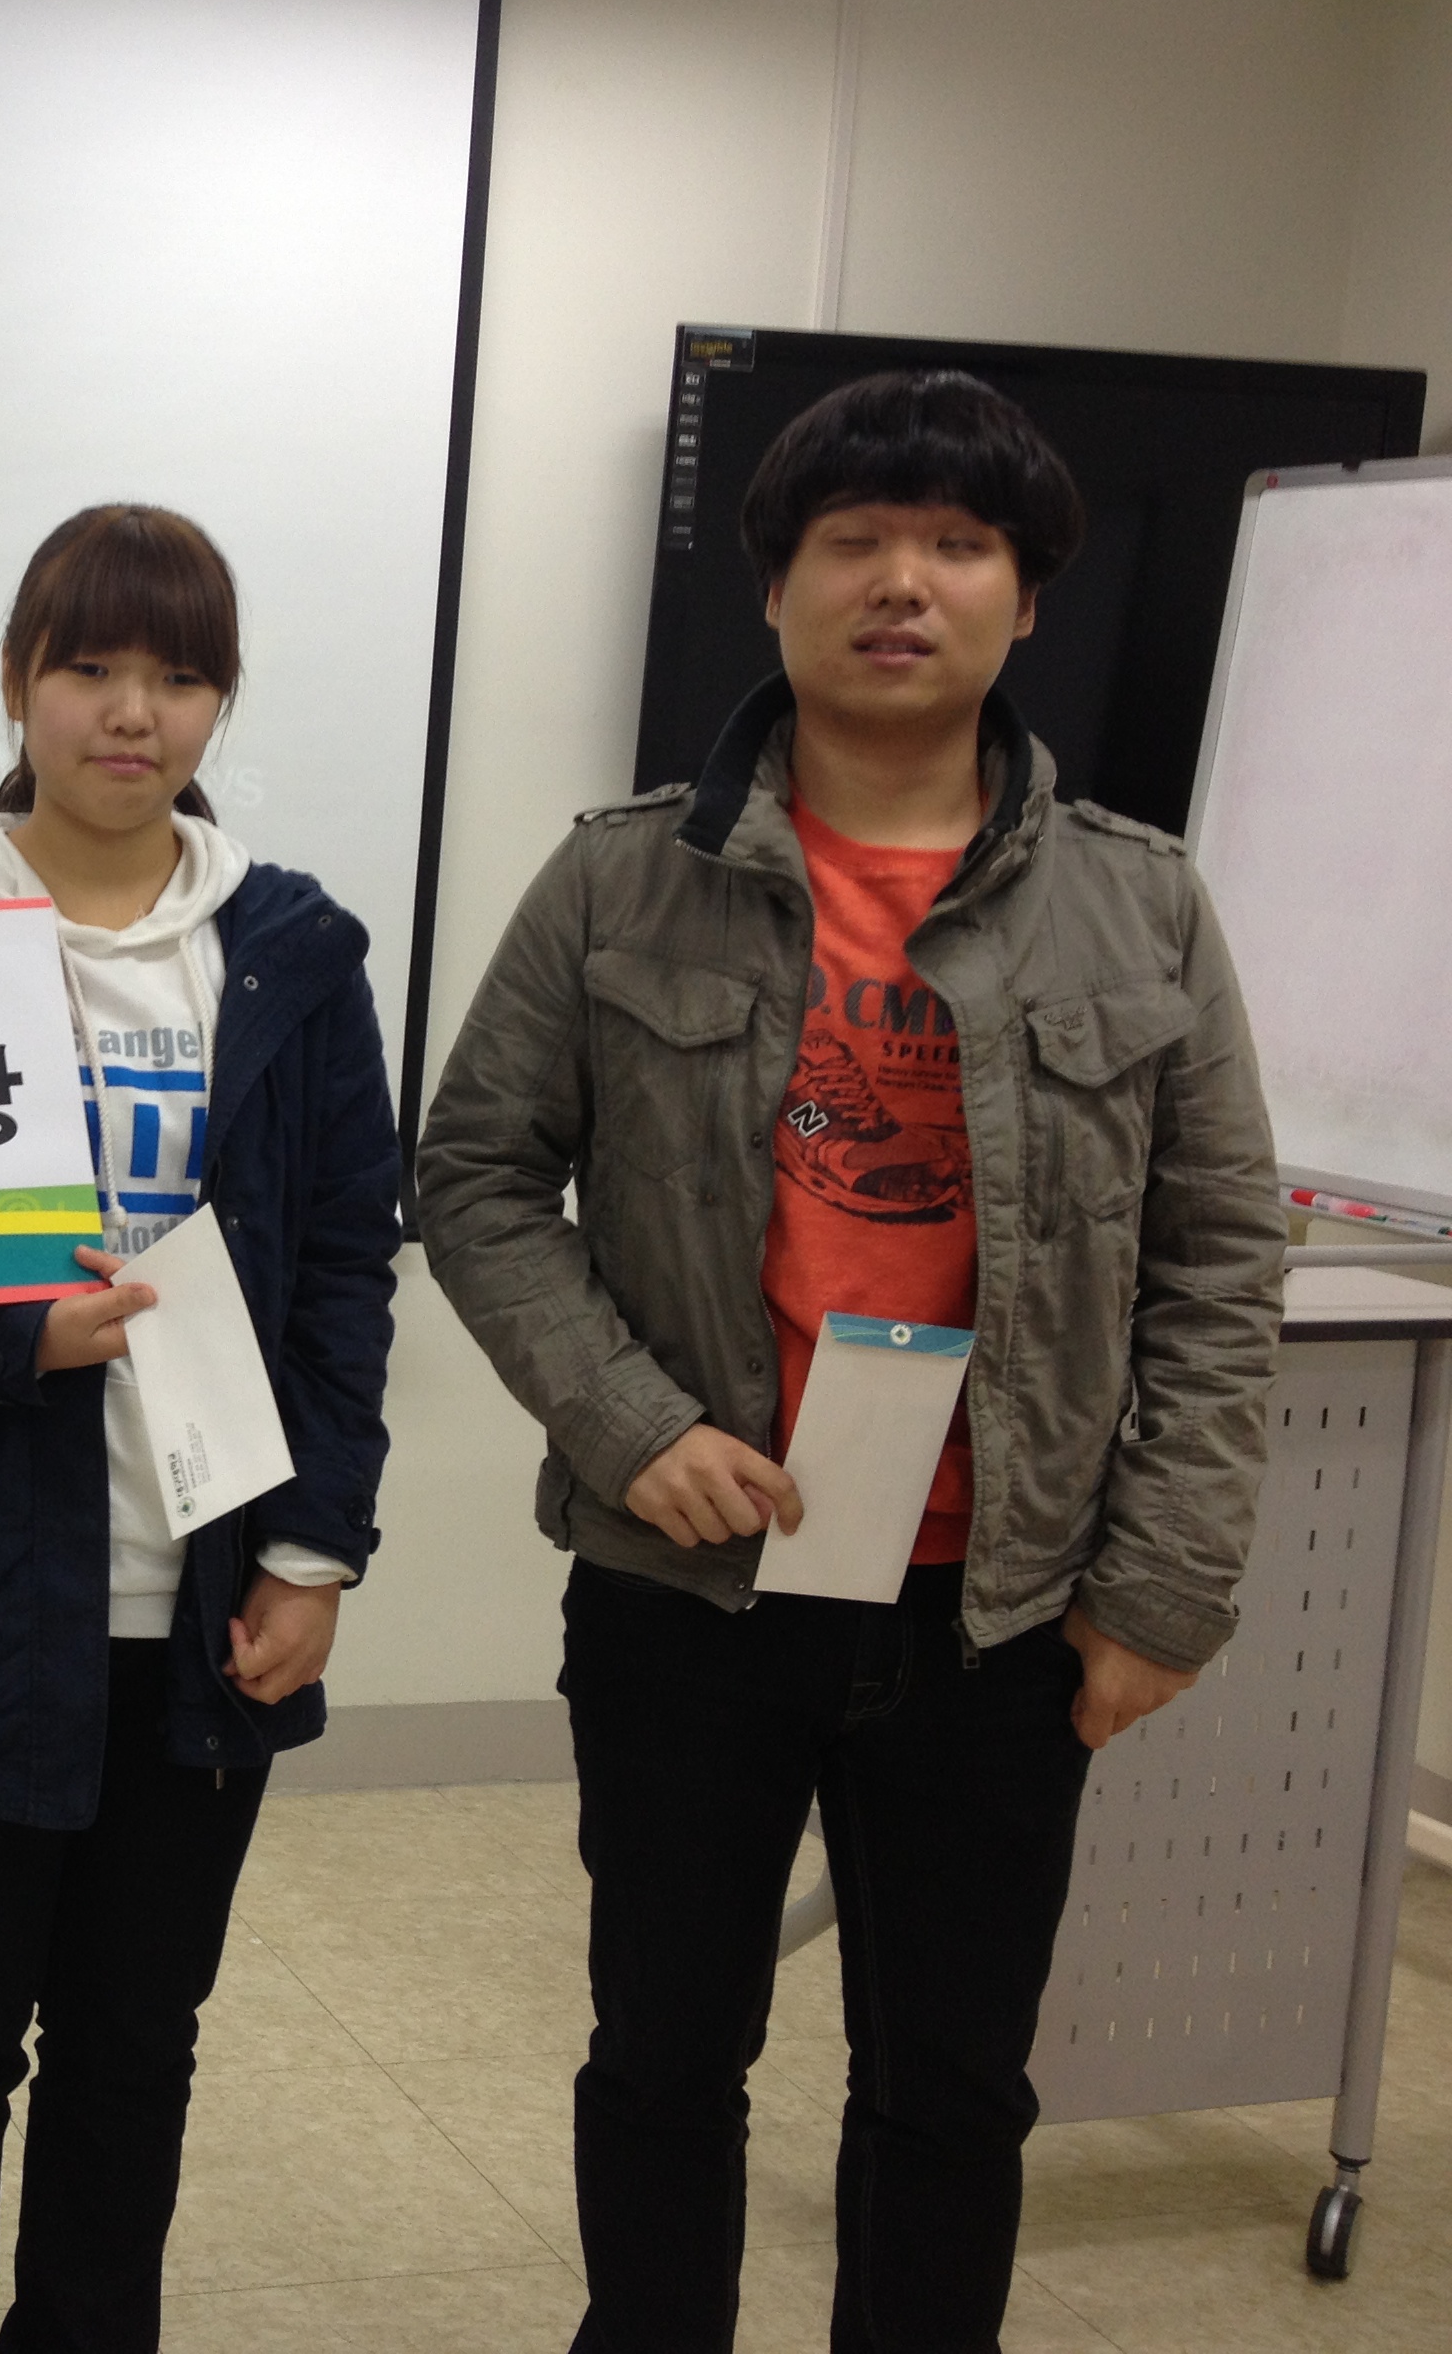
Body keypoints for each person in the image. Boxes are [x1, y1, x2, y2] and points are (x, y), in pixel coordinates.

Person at [418, 370, 1286, 2354]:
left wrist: (1162, 1589)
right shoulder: (619, 876)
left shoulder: (1141, 902)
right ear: (777, 587)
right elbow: (476, 1173)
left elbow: (1221, 1259)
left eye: (959, 545)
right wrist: (628, 1425)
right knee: (663, 2056)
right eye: (855, 541)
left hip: (1002, 1609)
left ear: (1026, 600)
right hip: (690, 1585)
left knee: (951, 2090)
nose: (905, 581)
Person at [0, 505, 404, 2352]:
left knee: (137, 2041)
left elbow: (343, 1270)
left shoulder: (293, 952)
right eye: (89, 667)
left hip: (206, 1595)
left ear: (220, 703)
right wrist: (6, 1335)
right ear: (17, 682)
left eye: (179, 674)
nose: (132, 712)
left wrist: (317, 1551)